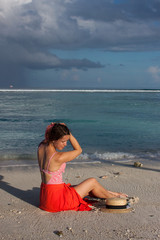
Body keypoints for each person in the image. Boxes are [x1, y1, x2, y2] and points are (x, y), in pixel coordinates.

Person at [37, 122, 127, 212]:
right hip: (58, 202)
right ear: (53, 139)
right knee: (92, 182)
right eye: (63, 141)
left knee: (82, 187)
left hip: (46, 198)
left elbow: (48, 138)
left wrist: (59, 130)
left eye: (67, 141)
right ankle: (114, 198)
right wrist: (69, 134)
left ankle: (112, 193)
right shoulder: (58, 157)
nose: (65, 144)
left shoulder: (41, 146)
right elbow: (79, 150)